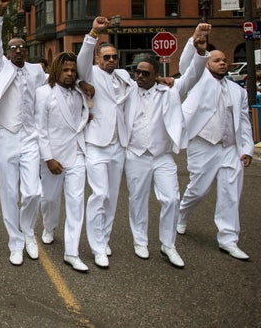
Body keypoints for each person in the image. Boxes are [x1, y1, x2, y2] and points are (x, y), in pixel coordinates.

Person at [121, 24, 210, 269]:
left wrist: (199, 51)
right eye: (137, 72)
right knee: (137, 199)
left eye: (145, 73)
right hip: (136, 155)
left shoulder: (170, 91)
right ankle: (140, 241)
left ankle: (168, 245)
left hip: (162, 156)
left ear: (156, 75)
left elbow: (192, 75)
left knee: (171, 199)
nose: (139, 76)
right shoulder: (128, 91)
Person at [0, 0, 46, 266]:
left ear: (26, 51)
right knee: (9, 193)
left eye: (21, 47)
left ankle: (29, 232)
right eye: (13, 47)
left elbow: (55, 84)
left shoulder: (36, 71)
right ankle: (15, 242)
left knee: (33, 192)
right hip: (5, 136)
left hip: (30, 138)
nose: (17, 51)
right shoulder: (0, 66)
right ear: (8, 51)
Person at [176, 45, 254, 261]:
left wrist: (246, 148)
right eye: (216, 60)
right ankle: (182, 213)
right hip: (204, 145)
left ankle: (228, 240)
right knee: (199, 189)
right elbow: (186, 66)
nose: (222, 63)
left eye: (224, 60)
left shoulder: (238, 91)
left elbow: (244, 122)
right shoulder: (199, 82)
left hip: (230, 147)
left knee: (231, 193)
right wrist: (196, 41)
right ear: (207, 64)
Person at [76, 16, 133, 269]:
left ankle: (104, 238)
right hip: (96, 143)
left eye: (113, 57)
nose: (110, 60)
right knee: (98, 194)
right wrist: (94, 34)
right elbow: (81, 62)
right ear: (98, 59)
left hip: (118, 144)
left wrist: (168, 80)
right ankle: (97, 247)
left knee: (112, 196)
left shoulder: (123, 76)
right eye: (106, 57)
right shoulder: (90, 73)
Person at [34, 52, 90, 272]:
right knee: (49, 199)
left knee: (76, 203)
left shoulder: (81, 92)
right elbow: (40, 129)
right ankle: (49, 227)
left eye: (72, 70)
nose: (69, 74)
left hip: (77, 154)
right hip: (53, 157)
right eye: (65, 70)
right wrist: (48, 158)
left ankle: (71, 252)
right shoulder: (44, 93)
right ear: (56, 70)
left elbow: (85, 116)